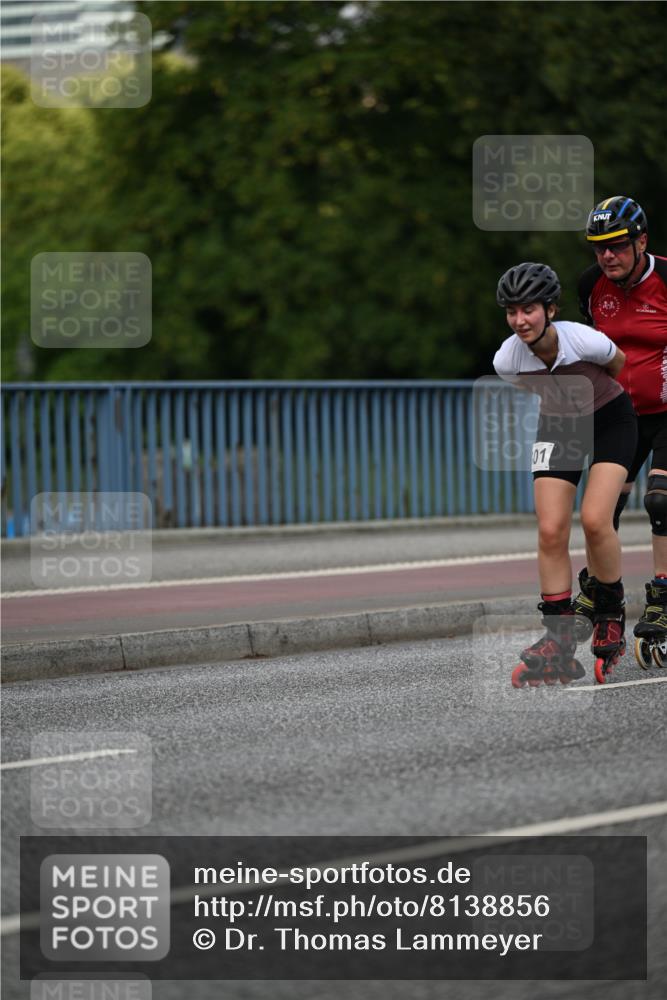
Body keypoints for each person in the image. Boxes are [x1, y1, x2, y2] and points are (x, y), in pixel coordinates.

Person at [493, 261, 638, 686]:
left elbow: (618, 364)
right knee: (551, 528)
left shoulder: (582, 339)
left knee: (594, 519)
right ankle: (558, 639)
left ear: (551, 310)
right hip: (559, 425)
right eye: (512, 311)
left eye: (529, 309)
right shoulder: (507, 358)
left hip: (610, 420)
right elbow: (529, 385)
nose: (520, 320)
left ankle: (609, 615)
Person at [577, 196, 667, 668]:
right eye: (599, 248)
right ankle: (603, 588)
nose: (607, 256)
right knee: (602, 511)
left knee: (661, 500)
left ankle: (663, 596)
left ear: (641, 241)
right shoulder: (590, 286)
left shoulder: (666, 279)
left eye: (617, 245)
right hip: (621, 416)